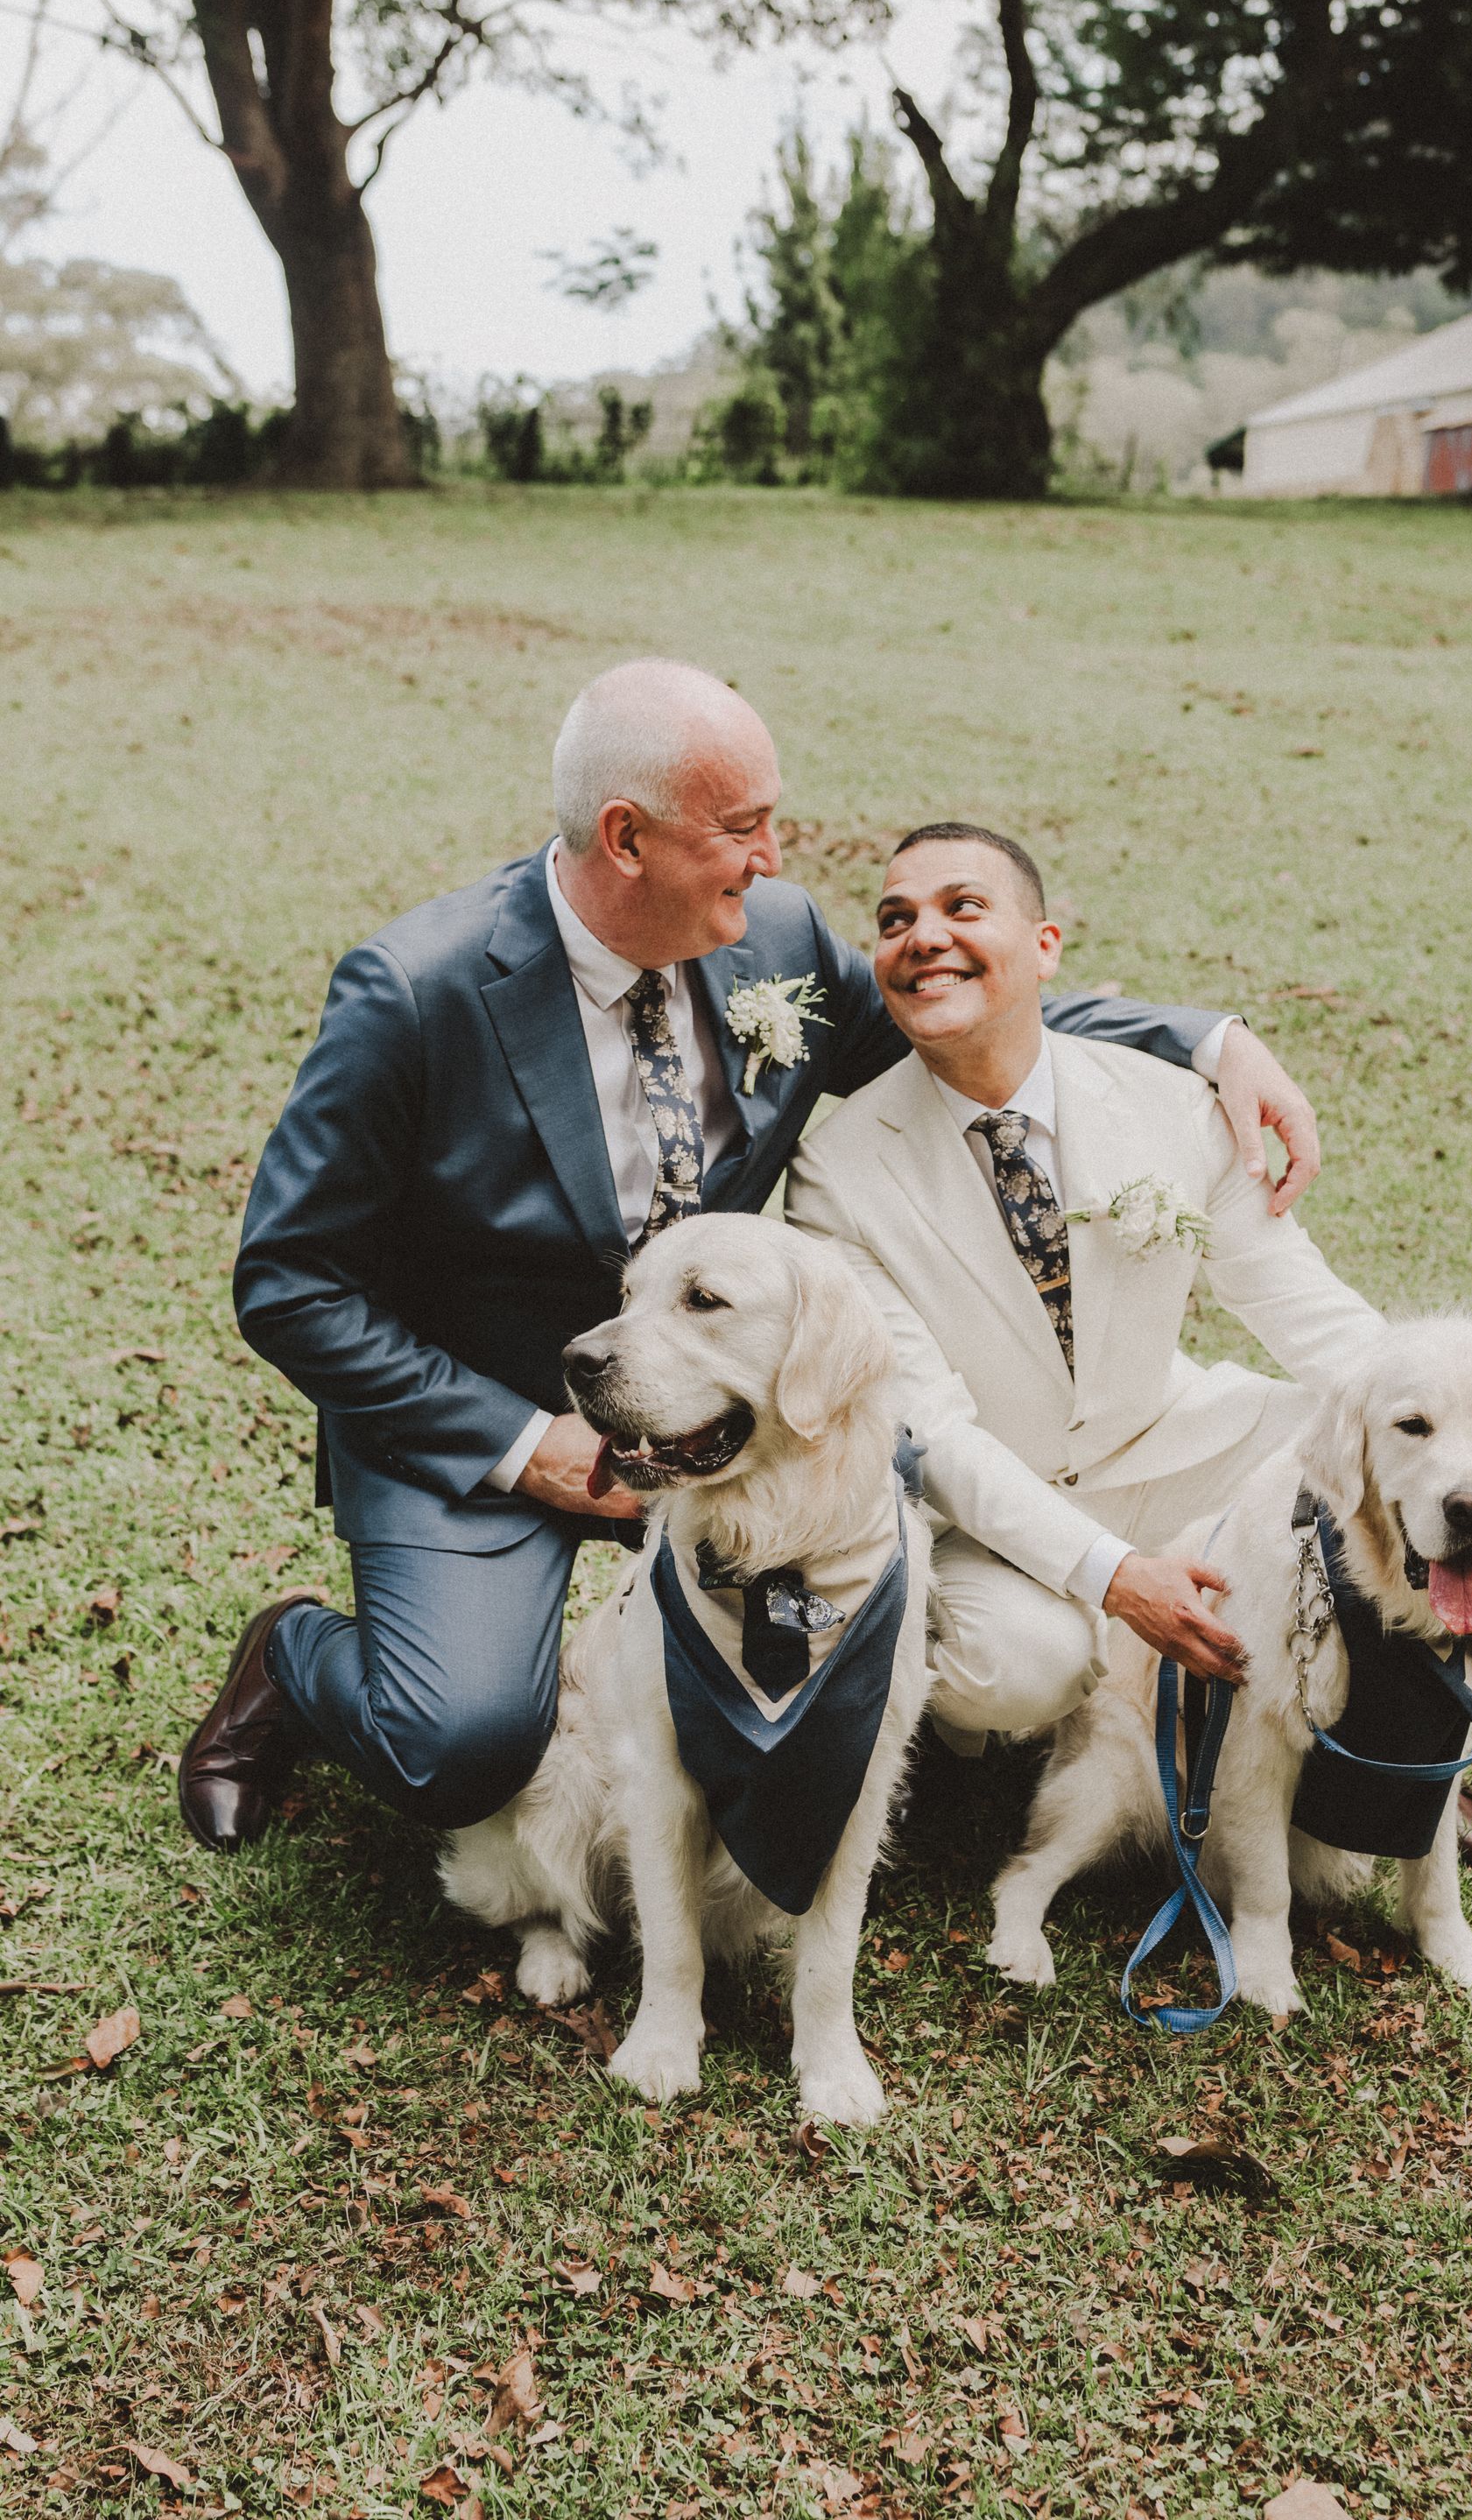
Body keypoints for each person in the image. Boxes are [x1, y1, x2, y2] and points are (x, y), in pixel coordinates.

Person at [180, 665, 1321, 1855]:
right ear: (625, 838)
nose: (776, 857)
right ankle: (292, 1656)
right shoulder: (414, 992)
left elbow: (963, 1011)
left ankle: (1363, 1773)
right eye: (741, 829)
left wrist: (1210, 1039)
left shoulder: (766, 937)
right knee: (458, 1744)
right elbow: (289, 1283)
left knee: (895, 1588)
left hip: (725, 1402)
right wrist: (532, 1449)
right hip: (493, 1421)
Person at [784, 820, 1384, 1752]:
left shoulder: (1173, 1103)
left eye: (963, 907)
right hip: (984, 1505)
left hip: (1165, 1444)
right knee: (1023, 1668)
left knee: (1386, 1449)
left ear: (1045, 946)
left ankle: (1392, 1756)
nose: (923, 937)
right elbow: (931, 1433)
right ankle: (1010, 1700)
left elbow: (1299, 1305)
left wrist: (1447, 1413)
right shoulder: (834, 1173)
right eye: (894, 921)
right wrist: (1114, 1577)